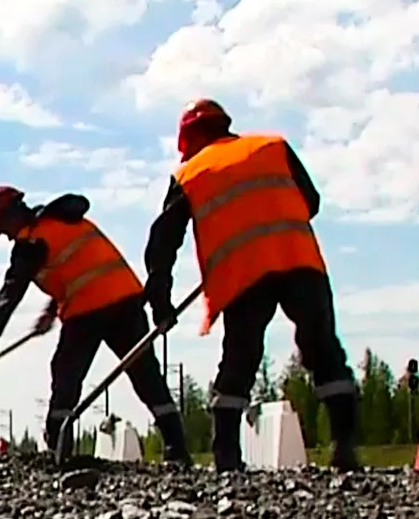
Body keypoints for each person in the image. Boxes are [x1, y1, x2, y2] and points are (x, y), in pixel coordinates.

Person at [142, 99, 361, 472]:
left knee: (240, 360)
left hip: (244, 273)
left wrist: (160, 303)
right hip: (299, 260)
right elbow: (311, 202)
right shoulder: (272, 146)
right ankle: (345, 449)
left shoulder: (190, 174)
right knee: (323, 349)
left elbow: (161, 244)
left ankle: (227, 457)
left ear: (187, 141)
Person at [0, 185, 191, 463]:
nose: (5, 236)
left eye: (2, 228)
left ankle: (58, 450)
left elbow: (10, 294)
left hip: (88, 311)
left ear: (9, 217)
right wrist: (52, 310)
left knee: (66, 375)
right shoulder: (63, 221)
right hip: (126, 299)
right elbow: (79, 267)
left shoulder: (30, 244)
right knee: (146, 376)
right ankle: (178, 450)